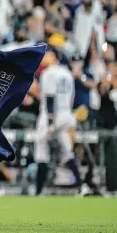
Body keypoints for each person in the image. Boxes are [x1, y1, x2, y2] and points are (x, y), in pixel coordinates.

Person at [34, 49, 82, 195]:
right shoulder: (67, 73)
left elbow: (49, 98)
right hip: (66, 114)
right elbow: (72, 98)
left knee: (41, 150)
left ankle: (38, 191)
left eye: (46, 55)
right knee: (66, 150)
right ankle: (81, 186)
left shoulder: (48, 73)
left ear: (53, 56)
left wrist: (50, 123)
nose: (43, 58)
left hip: (51, 115)